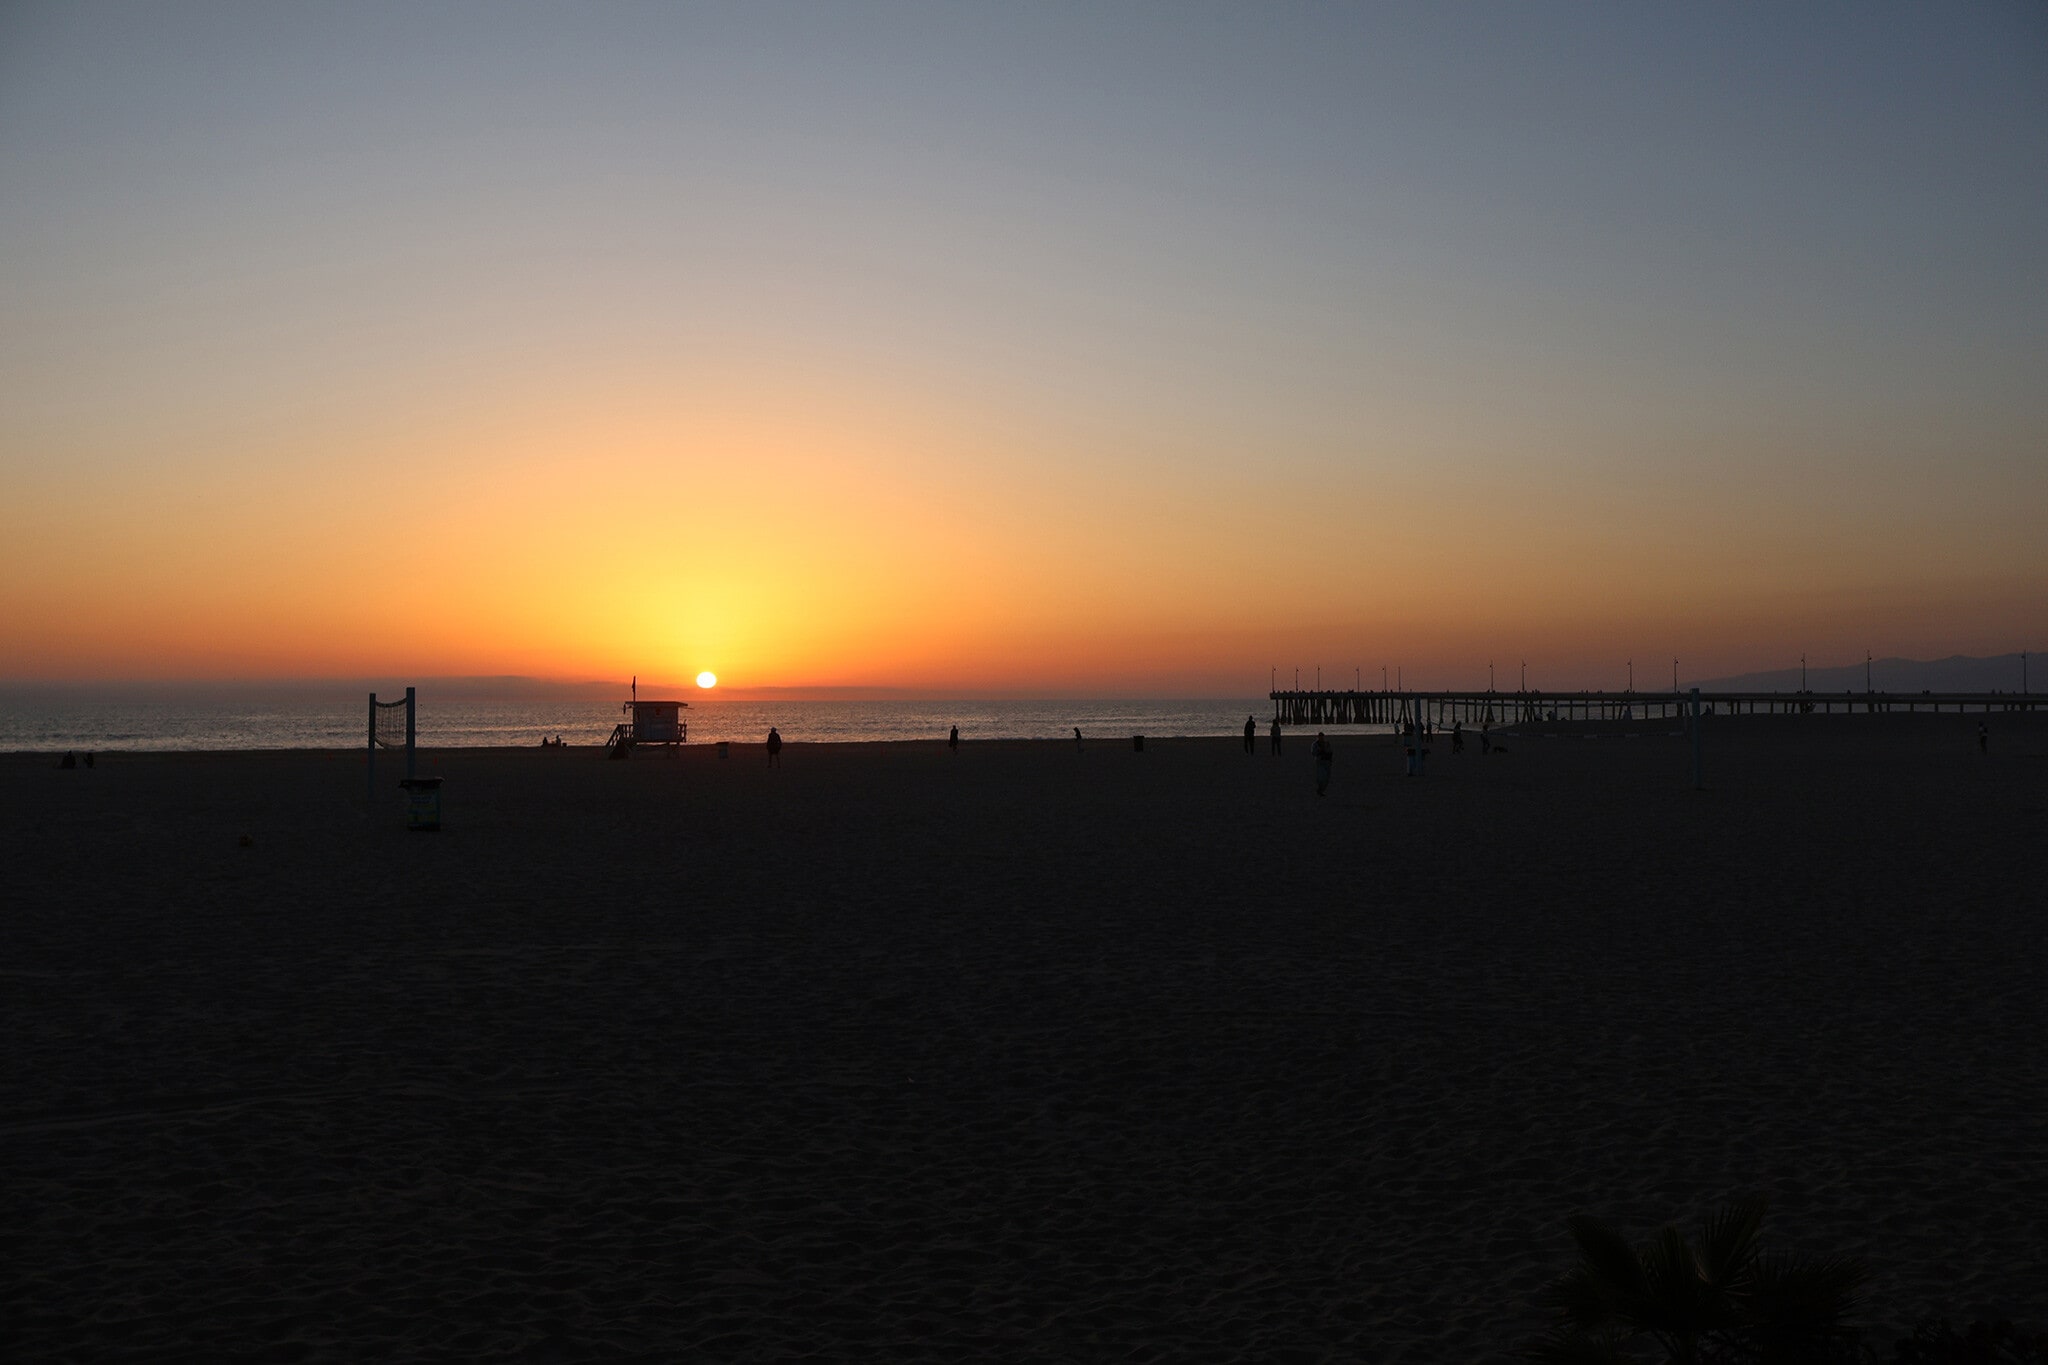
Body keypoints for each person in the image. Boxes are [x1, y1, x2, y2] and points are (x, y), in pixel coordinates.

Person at [1312, 731, 1333, 796]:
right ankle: (1319, 790)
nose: (1321, 738)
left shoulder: (1327, 743)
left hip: (1327, 761)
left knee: (1327, 777)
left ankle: (1321, 790)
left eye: (1322, 737)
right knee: (1321, 777)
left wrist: (1330, 759)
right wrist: (1320, 752)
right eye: (1320, 737)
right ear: (1318, 737)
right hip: (1320, 762)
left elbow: (1330, 751)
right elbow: (1313, 753)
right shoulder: (1315, 744)